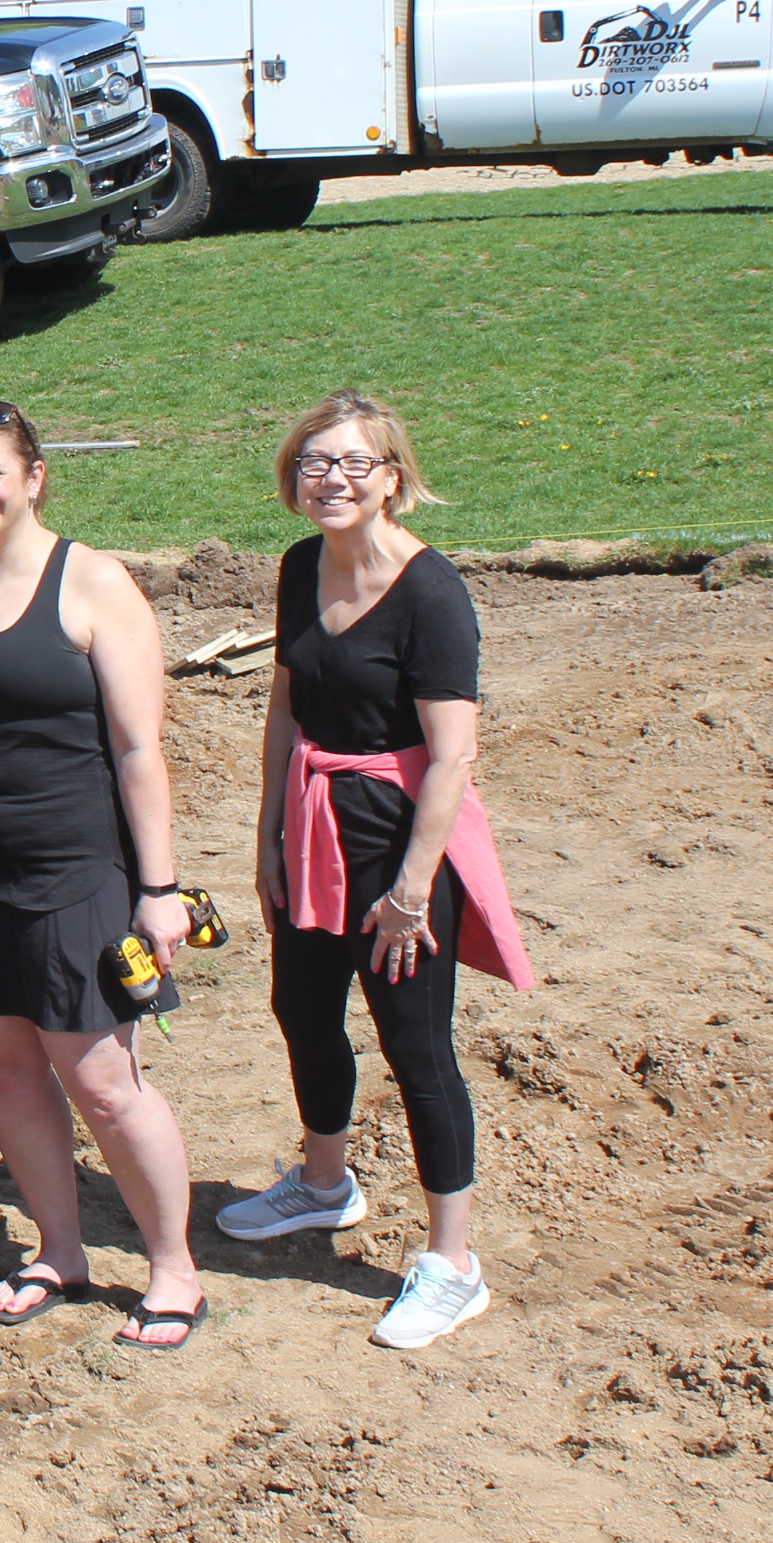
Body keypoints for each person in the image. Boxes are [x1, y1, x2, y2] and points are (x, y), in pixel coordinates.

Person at [0, 401, 208, 1349]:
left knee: (104, 1080)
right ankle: (60, 1248)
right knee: (6, 1066)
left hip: (75, 874)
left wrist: (158, 890)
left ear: (34, 477)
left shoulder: (95, 583)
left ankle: (174, 1269)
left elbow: (140, 748)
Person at [219, 389, 532, 1351]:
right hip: (313, 831)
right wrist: (269, 830)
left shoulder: (433, 594)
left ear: (393, 478)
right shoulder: (300, 566)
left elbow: (452, 756)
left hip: (399, 841)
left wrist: (410, 893)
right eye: (316, 462)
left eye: (355, 463)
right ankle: (324, 1186)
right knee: (302, 1011)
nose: (334, 479)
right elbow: (285, 707)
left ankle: (453, 1266)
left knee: (416, 1046)